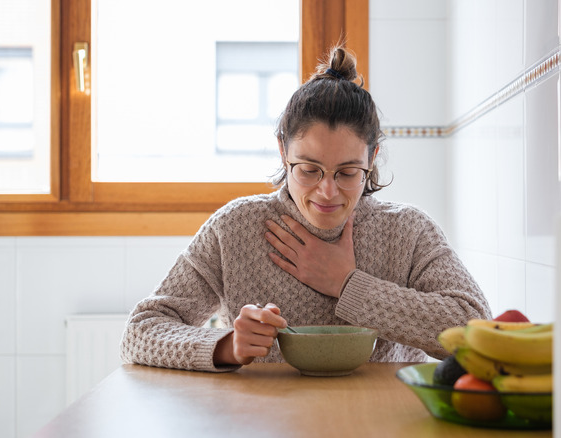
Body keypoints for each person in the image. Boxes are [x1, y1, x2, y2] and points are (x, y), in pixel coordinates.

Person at [120, 45, 492, 372]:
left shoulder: (408, 231)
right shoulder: (235, 227)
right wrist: (226, 347)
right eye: (309, 170)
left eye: (348, 172)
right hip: (265, 420)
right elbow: (140, 331)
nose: (327, 191)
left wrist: (348, 286)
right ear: (283, 152)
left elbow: (478, 331)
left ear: (373, 157)